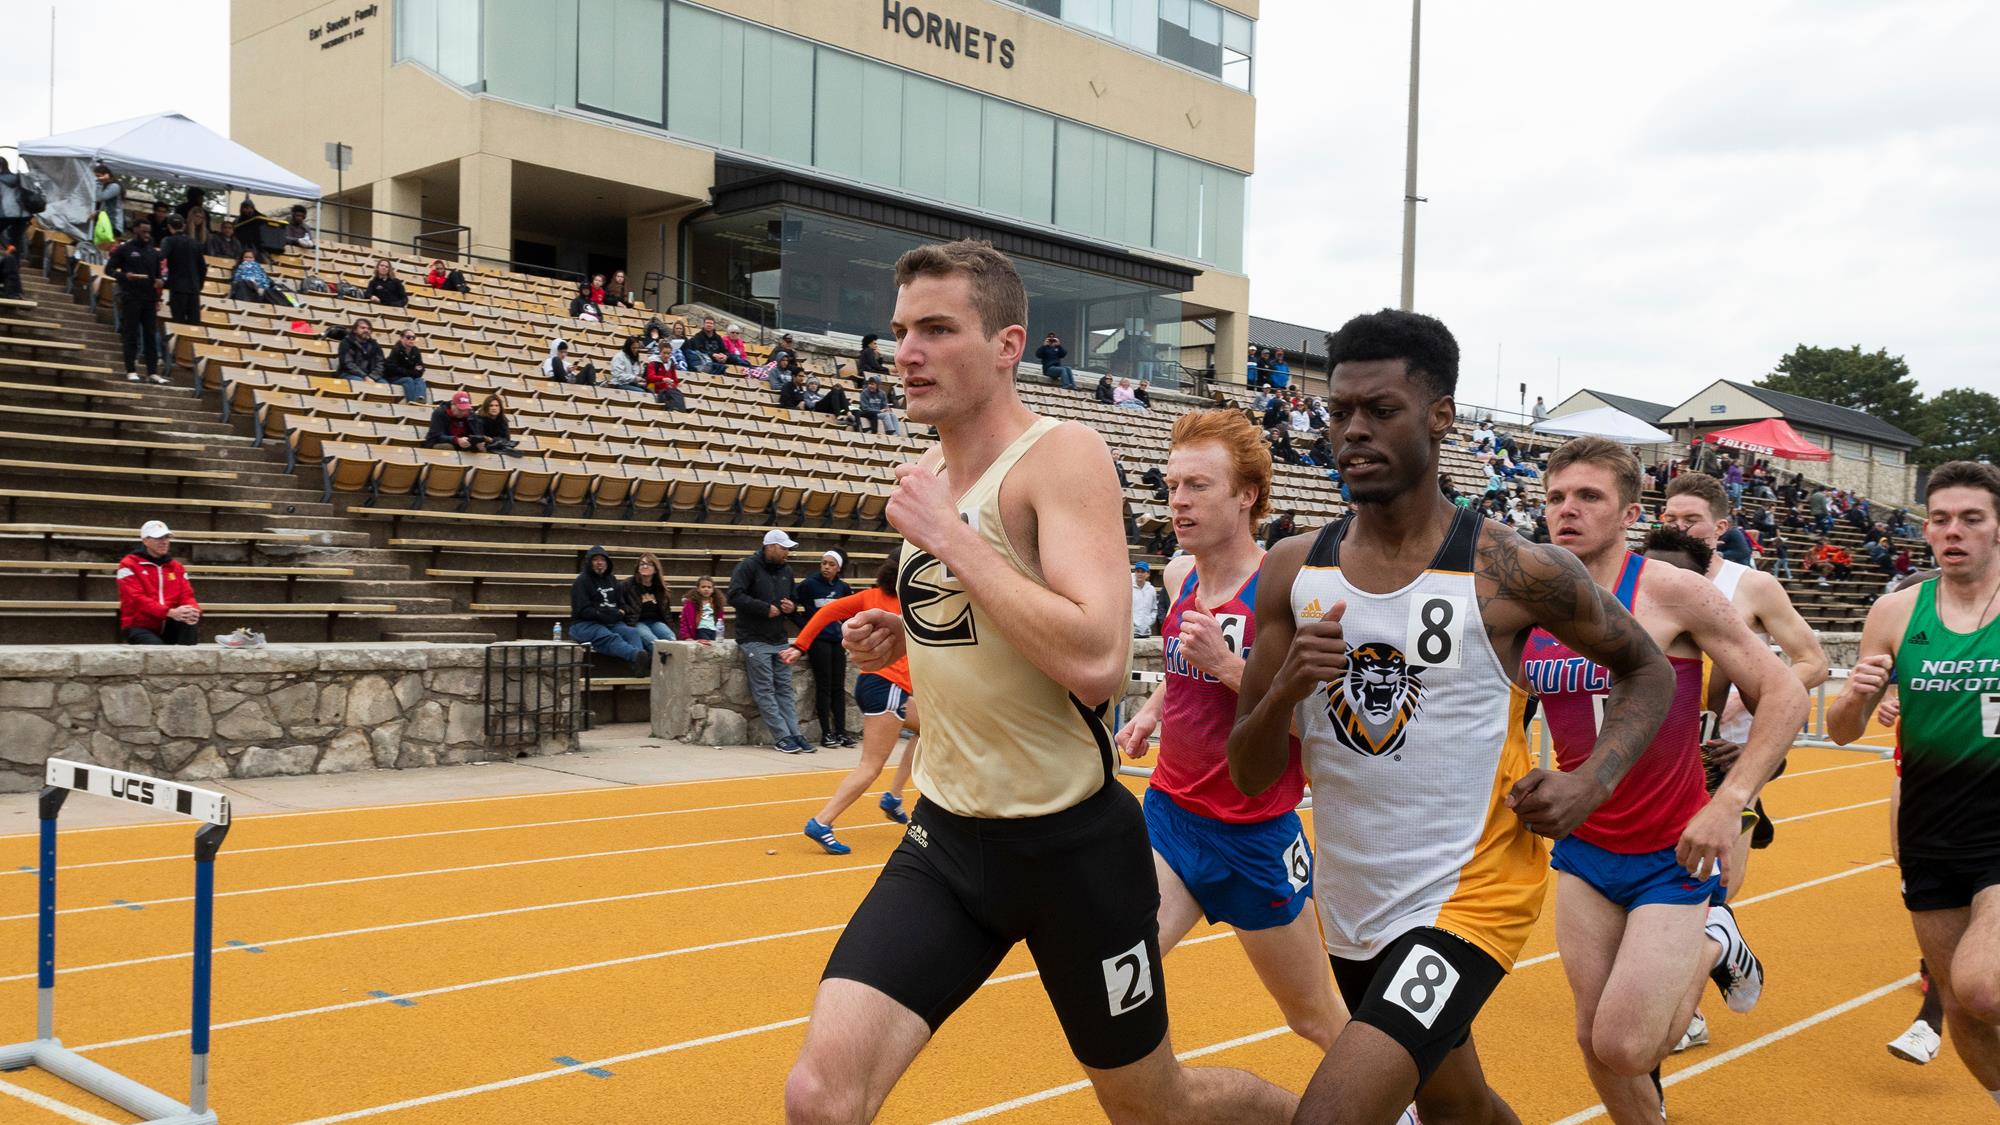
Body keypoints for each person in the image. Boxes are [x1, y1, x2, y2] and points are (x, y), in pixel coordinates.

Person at [789, 240, 1296, 1124]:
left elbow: (1097, 661)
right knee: (820, 1098)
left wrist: (950, 538)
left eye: (938, 329)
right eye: (901, 329)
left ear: (1007, 344)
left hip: (1072, 853)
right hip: (949, 840)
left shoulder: (1061, 456)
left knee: (1156, 1109)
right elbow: (986, 620)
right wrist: (897, 635)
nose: (906, 351)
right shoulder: (937, 482)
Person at [1229, 307, 1677, 1125]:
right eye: (1339, 412)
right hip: (1354, 895)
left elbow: (1647, 670)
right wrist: (1288, 688)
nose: (1353, 431)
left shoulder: (1513, 568)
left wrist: (1588, 784)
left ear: (1440, 417)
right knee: (1456, 1104)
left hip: (1471, 895)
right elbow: (1249, 773)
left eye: (1381, 410)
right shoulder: (1294, 569)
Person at [1528, 444, 1806, 1121]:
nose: (1568, 508)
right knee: (1593, 1038)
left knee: (1625, 1042)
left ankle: (1718, 936)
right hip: (1584, 846)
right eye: (1558, 495)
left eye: (1588, 496)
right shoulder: (1527, 598)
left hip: (1672, 849)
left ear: (1629, 512)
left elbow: (1787, 693)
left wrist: (1730, 800)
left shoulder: (1671, 591)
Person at [1113, 408, 1349, 1054]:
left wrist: (1225, 665)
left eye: (1198, 485)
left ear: (1247, 495)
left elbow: (1315, 716)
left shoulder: (1290, 589)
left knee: (1314, 1017)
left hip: (1253, 833)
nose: (1178, 502)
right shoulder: (1177, 576)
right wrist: (1152, 710)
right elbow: (1183, 666)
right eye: (1171, 486)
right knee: (1114, 970)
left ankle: (1401, 1106)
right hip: (1170, 814)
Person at [1827, 461, 2000, 1108]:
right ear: (1925, 529)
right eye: (1941, 519)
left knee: (1985, 985)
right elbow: (1844, 730)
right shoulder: (1896, 611)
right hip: (1930, 832)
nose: (1953, 530)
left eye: (1972, 518)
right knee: (1960, 1003)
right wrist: (1855, 696)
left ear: (1998, 527)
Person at [1657, 470, 1829, 1052]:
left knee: (1704, 878)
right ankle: (1696, 983)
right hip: (1659, 749)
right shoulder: (1647, 578)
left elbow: (1813, 662)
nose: (1677, 528)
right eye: (1669, 518)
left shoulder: (1750, 585)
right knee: (1670, 880)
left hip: (1727, 754)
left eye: (1690, 521)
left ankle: (1688, 1000)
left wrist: (1753, 692)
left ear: (1720, 528)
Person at [785, 556, 922, 853]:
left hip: (873, 684)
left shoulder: (869, 597)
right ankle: (823, 821)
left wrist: (800, 645)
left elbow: (827, 613)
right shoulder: (915, 601)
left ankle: (894, 797)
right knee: (870, 766)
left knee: (929, 727)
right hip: (889, 688)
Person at [730, 529, 811, 754]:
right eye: (784, 548)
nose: (787, 553)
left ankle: (795, 733)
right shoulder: (747, 567)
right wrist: (765, 609)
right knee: (765, 689)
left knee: (785, 688)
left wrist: (791, 607)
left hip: (779, 638)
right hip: (754, 639)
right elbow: (734, 596)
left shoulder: (787, 570)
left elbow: (793, 599)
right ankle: (782, 736)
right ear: (770, 547)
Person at [794, 550, 857, 750]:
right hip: (818, 641)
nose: (826, 567)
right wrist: (804, 626)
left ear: (838, 568)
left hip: (837, 641)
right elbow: (791, 605)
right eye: (823, 563)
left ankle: (841, 731)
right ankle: (826, 733)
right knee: (824, 686)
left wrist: (846, 631)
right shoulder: (809, 585)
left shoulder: (843, 588)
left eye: (830, 564)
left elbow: (850, 613)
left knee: (838, 687)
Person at [118, 520, 201, 645]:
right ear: (145, 540)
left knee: (189, 621)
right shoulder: (128, 565)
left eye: (167, 537)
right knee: (156, 648)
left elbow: (187, 596)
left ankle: (191, 663)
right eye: (158, 538)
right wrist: (169, 612)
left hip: (170, 621)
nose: (164, 542)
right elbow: (136, 599)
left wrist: (193, 611)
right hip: (139, 625)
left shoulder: (176, 567)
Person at [568, 547, 649, 671]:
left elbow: (621, 603)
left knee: (632, 632)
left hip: (611, 621)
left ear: (607, 562)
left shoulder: (611, 579)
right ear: (589, 562)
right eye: (595, 559)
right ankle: (635, 656)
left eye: (602, 559)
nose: (599, 562)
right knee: (609, 636)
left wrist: (620, 611)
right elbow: (583, 611)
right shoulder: (581, 581)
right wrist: (606, 615)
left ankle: (637, 668)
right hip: (584, 624)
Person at [106, 222, 166, 384]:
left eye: (149, 232)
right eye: (144, 231)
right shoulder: (124, 249)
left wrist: (160, 283)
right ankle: (131, 370)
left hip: (149, 298)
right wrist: (125, 276)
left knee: (150, 336)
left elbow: (158, 275)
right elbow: (109, 269)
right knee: (131, 334)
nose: (147, 235)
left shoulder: (153, 252)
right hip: (131, 297)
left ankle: (152, 372)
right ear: (136, 230)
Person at [158, 213, 206, 326]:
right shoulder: (195, 243)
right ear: (183, 226)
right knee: (194, 325)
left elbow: (161, 258)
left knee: (178, 324)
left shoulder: (168, 241)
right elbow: (203, 268)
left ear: (169, 226)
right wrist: (199, 286)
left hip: (177, 288)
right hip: (193, 289)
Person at [621, 552, 676, 645]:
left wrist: (672, 629)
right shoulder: (628, 585)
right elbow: (621, 605)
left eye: (649, 564)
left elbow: (667, 613)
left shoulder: (660, 588)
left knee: (672, 639)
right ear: (638, 568)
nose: (645, 566)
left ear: (655, 569)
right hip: (637, 622)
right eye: (642, 564)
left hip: (656, 622)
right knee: (653, 642)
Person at [381, 328, 431, 403]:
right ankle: (411, 402)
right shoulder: (396, 350)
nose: (411, 339)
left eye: (413, 337)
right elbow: (392, 369)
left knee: (420, 380)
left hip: (408, 376)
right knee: (408, 380)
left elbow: (420, 369)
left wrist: (410, 372)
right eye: (408, 337)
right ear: (401, 338)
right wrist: (412, 372)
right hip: (393, 377)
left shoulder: (416, 351)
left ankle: (420, 400)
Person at [337, 318, 387, 388]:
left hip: (371, 375)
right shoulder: (346, 342)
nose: (366, 330)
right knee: (362, 384)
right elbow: (347, 363)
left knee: (385, 386)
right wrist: (364, 376)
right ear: (354, 330)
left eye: (368, 329)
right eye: (362, 328)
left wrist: (372, 376)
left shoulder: (374, 344)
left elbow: (381, 363)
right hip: (349, 373)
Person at [0, 158, 30, 263]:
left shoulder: (1, 179)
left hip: (6, 213)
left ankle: (8, 246)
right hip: (23, 214)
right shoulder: (17, 178)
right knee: (16, 240)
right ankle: (15, 266)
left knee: (10, 240)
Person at [680, 576, 727, 642]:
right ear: (698, 589)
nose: (706, 589)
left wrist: (720, 634)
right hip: (700, 630)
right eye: (703, 587)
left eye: (709, 587)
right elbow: (684, 621)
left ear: (713, 589)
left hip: (714, 631)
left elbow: (720, 619)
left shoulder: (717, 603)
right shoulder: (690, 604)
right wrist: (686, 636)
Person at [91, 164, 124, 245]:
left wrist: (99, 182)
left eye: (98, 176)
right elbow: (105, 206)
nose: (97, 178)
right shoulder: (107, 186)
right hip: (106, 223)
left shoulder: (115, 186)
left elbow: (100, 197)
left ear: (106, 175)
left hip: (113, 225)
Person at [1131, 560, 1159, 638]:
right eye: (1138, 571)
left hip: (1147, 632)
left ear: (1147, 574)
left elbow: (1154, 609)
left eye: (1142, 571)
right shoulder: (1129, 588)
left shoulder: (1151, 589)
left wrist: (1149, 622)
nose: (1140, 574)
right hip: (1132, 632)